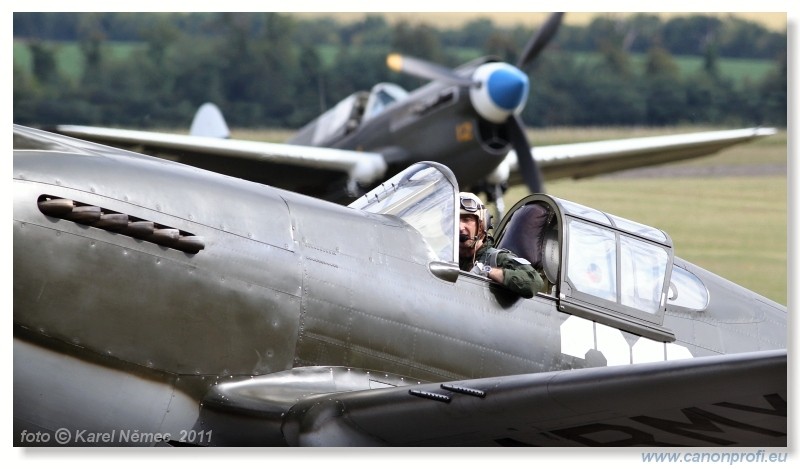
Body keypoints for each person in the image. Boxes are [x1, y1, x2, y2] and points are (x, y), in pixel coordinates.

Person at [457, 192, 544, 298]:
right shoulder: (445, 257)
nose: (460, 227)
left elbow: (534, 281)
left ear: (481, 225)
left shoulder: (497, 258)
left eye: (467, 220)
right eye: (456, 220)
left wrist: (486, 270)